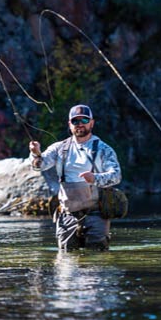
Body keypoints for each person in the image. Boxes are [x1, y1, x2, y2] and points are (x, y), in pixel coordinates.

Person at [29, 104, 122, 251]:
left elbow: (116, 176)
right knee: (66, 259)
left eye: (84, 120)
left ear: (92, 123)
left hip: (96, 213)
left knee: (97, 259)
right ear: (69, 124)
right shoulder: (58, 148)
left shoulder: (104, 149)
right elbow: (38, 166)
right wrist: (35, 152)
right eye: (75, 121)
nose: (80, 124)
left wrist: (95, 178)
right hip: (67, 215)